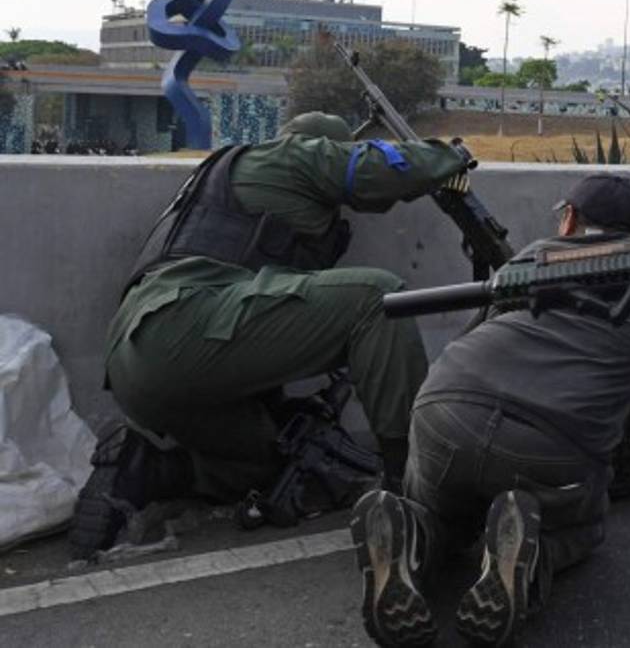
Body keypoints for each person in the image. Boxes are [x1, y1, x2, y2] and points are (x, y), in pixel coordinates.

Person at [69, 111, 471, 560]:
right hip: (185, 325)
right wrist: (449, 155)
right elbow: (380, 170)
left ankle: (145, 469)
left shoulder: (221, 181)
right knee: (377, 300)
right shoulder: (294, 156)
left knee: (272, 463)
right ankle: (414, 488)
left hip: (140, 360)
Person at [349, 174, 630, 647]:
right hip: (550, 444)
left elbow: (478, 324)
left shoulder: (537, 254)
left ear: (570, 219)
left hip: (451, 405)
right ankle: (526, 555)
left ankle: (411, 531)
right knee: (588, 526)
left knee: (440, 510)